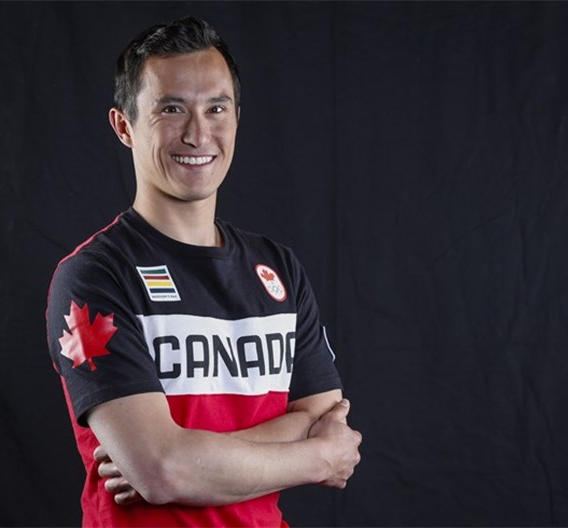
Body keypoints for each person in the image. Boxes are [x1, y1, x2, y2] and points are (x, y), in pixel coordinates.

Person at [46, 15, 362, 527]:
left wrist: (182, 457)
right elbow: (162, 470)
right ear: (124, 126)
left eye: (216, 108)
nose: (198, 134)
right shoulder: (92, 279)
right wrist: (318, 457)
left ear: (236, 118)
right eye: (171, 109)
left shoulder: (278, 269)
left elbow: (326, 419)